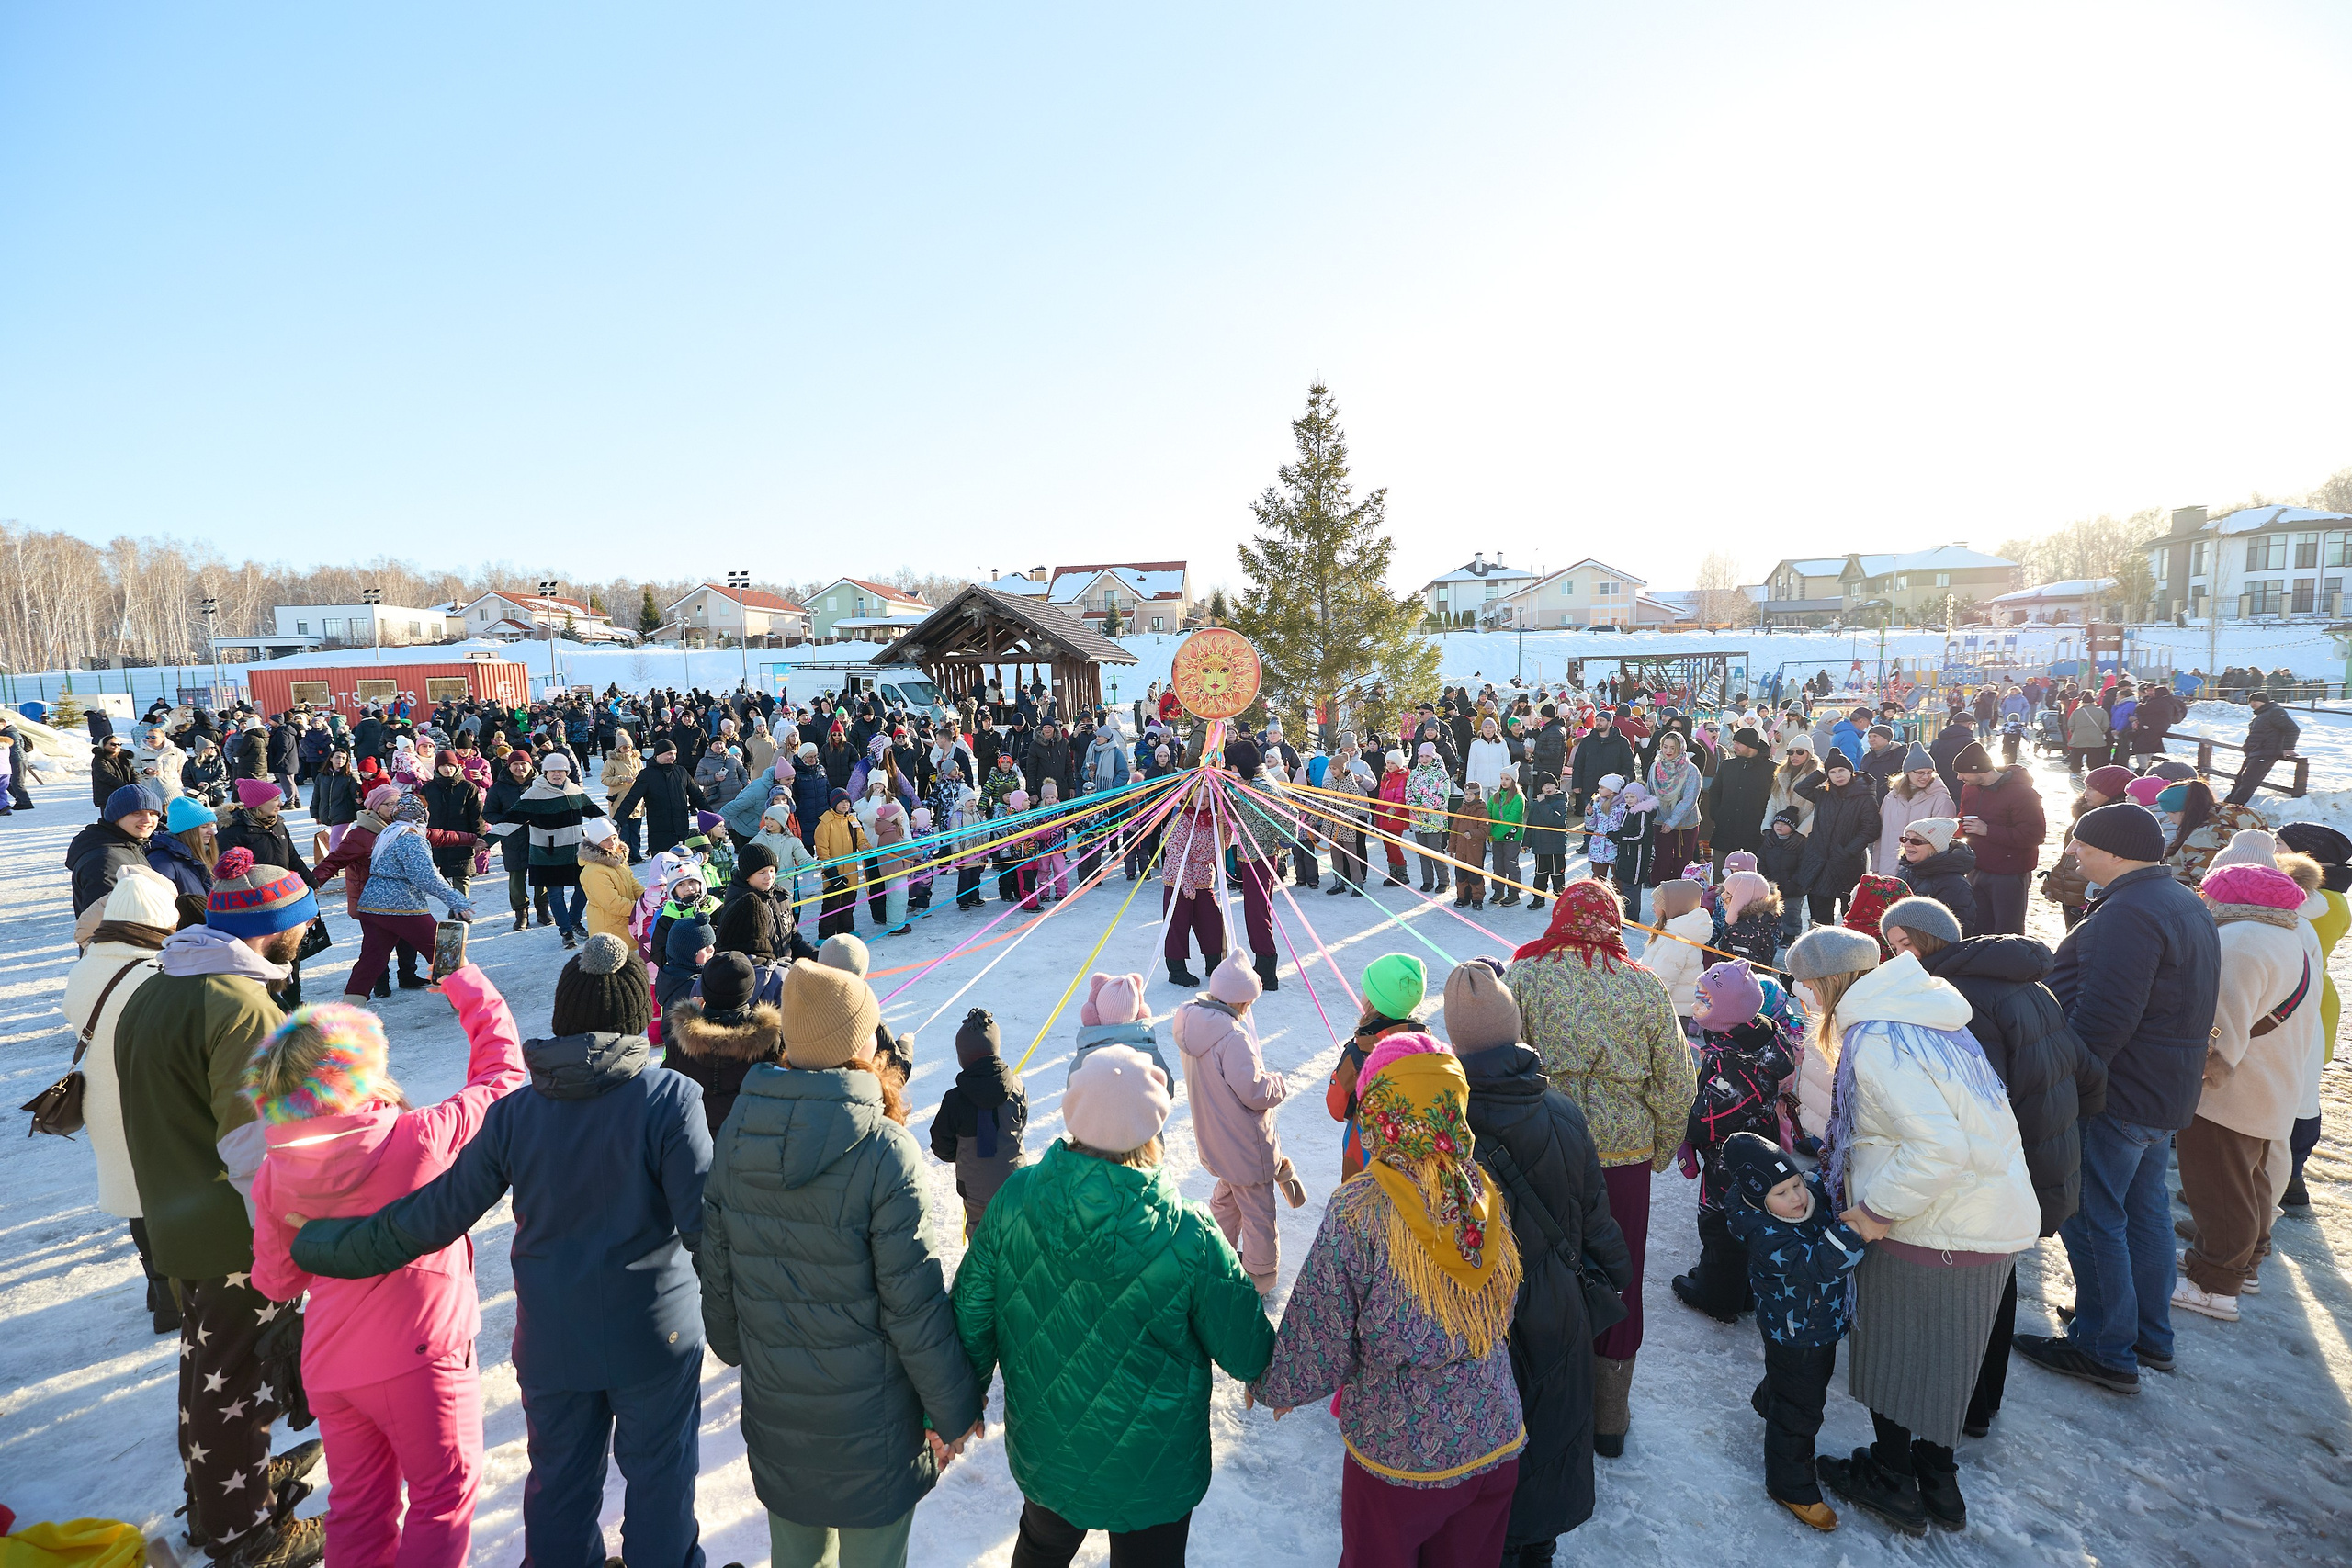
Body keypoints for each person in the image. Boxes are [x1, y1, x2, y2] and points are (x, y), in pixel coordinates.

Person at [291, 935, 713, 1568]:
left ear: (563, 1013)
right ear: (637, 1016)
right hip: (655, 1337)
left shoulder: (517, 1114)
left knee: (560, 1486)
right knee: (661, 1480)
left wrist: (324, 1243)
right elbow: (709, 1228)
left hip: (552, 1337)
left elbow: (432, 1214)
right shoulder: (669, 1100)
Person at [699, 956, 982, 1568]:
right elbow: (914, 1303)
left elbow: (718, 1277)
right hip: (873, 1427)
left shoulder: (739, 1131)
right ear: (861, 1040)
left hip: (779, 1413)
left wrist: (738, 1347)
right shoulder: (884, 1152)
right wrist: (955, 1408)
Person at [953, 1042, 1273, 1568]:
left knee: (1040, 1547)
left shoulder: (1014, 1200)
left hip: (1051, 1447)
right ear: (1154, 1127)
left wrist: (952, 1407)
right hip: (1153, 1463)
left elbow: (970, 1315)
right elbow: (1248, 1350)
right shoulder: (1189, 1235)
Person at [247, 975, 526, 1568]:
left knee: (358, 1508)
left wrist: (323, 1235)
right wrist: (466, 982)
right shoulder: (419, 1137)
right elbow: (503, 1078)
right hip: (419, 1357)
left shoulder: (276, 1170)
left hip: (331, 1366)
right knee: (442, 1495)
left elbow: (275, 1281)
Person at [1781, 927, 2040, 1538]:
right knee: (1947, 1361)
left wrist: (1873, 1212)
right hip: (1985, 1214)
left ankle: (1893, 1478)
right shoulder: (1925, 1017)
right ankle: (1938, 1480)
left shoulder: (1878, 1040)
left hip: (1934, 1221)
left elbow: (1939, 1145)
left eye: (1803, 981)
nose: (1799, 993)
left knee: (1893, 1353)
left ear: (1827, 981)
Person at [116, 848, 325, 1565]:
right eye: (301, 921)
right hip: (235, 1230)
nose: (307, 932)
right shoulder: (241, 1004)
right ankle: (245, 1530)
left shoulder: (157, 988)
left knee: (205, 1365)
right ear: (275, 928)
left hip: (176, 1212)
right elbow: (253, 1148)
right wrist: (293, 1230)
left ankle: (217, 1494)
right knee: (237, 1375)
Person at [1250, 1034, 1527, 1567]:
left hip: (1403, 1451)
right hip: (1493, 1432)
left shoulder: (1362, 1206)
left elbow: (1323, 1319)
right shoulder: (1479, 1190)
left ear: (1379, 1110)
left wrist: (1280, 1383)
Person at [1877, 897, 2104, 1437]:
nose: (1895, 957)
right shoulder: (2027, 984)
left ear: (1917, 942)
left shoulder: (1953, 998)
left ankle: (1966, 1406)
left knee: (1971, 1280)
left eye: (1897, 944)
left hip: (2000, 1157)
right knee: (1998, 1272)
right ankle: (1984, 1401)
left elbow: (1972, 1098)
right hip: (2044, 1144)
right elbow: (2086, 1069)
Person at [2021, 802, 2219, 1393]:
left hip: (2119, 1091)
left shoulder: (2130, 912)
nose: (2074, 854)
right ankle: (2145, 1333)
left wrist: (2065, 1084)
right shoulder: (2179, 899)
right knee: (2143, 1209)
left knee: (2092, 1213)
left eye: (2080, 846)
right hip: (2163, 1087)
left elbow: (2106, 1017)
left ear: (2111, 851)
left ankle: (2106, 1346)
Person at [1503, 878, 1695, 1458]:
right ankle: (1608, 1416)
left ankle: (1537, 1401)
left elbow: (1506, 1062)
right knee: (1618, 1270)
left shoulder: (1527, 976)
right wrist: (1658, 1150)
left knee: (1537, 1269)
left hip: (1543, 1145)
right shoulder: (1644, 987)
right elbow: (1678, 1081)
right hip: (1622, 1157)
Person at [1446, 959, 1628, 1565]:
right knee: (1549, 1436)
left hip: (1473, 1316)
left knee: (1483, 1451)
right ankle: (1536, 1550)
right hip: (1556, 1308)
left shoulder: (1441, 1126)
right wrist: (1606, 1279)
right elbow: (1595, 1215)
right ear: (1516, 1027)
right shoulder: (1563, 1111)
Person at [2172, 862, 2323, 1321]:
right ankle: (2244, 1264)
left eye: (2211, 893)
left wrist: (2196, 1077)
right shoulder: (2287, 937)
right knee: (2249, 1181)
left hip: (2233, 1090)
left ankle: (2215, 1284)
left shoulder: (2240, 942)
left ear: (2233, 900)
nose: (2205, 900)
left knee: (2219, 1186)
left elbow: (2217, 1027)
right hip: (2270, 1083)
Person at [1720, 1133, 1868, 1533]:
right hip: (1796, 1333)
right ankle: (1790, 1485)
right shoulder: (1765, 1235)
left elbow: (1821, 1178)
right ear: (1757, 1199)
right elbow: (1816, 1265)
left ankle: (1772, 1396)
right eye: (1783, 1193)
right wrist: (1858, 1231)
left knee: (1799, 1383)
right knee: (1801, 1411)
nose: (1798, 1197)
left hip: (1820, 1324)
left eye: (1797, 1185)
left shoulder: (1802, 1196)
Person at [61, 869, 182, 1335]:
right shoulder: (158, 971)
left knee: (135, 1196)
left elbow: (77, 1018)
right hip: (151, 1093)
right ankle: (177, 1293)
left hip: (103, 1096)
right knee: (171, 1191)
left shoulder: (87, 962)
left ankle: (159, 1290)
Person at [1669, 961, 1796, 1324]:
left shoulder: (1738, 1065)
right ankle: (1740, 1289)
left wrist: (1684, 1124)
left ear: (1727, 1013)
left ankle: (1717, 1296)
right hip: (1752, 1145)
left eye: (1704, 1000)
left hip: (1733, 1156)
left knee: (1722, 1224)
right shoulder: (1749, 1038)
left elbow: (1707, 1119)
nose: (1696, 1005)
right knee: (1747, 1218)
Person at [1172, 953, 1303, 1296]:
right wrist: (1278, 1083)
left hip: (1217, 1138)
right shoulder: (1232, 1037)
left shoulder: (1194, 1025)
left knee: (1228, 1199)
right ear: (1242, 1000)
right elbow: (1254, 1091)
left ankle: (1217, 1253)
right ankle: (1260, 1275)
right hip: (1245, 1144)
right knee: (1259, 1211)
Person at [2277, 821, 2350, 1208]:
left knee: (2295, 1095)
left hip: (2298, 1000)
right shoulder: (2334, 898)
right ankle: (2290, 1176)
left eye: (2280, 843)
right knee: (2303, 1093)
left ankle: (2287, 1176)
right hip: (2318, 999)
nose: (2273, 847)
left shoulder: (2314, 902)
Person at [345, 795, 474, 1006]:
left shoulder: (388, 833)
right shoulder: (412, 838)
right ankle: (469, 1001)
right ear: (421, 814)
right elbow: (426, 877)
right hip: (402, 906)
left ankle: (349, 1007)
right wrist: (456, 900)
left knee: (371, 959)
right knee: (444, 950)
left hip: (372, 904)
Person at [1326, 953, 1430, 1182]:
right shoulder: (1427, 1047)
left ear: (1372, 1002)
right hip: (1415, 1165)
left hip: (1365, 1160)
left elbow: (1336, 1108)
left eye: (1366, 991)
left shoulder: (1359, 1053)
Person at [929, 1008, 1030, 1237]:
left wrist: (963, 1154)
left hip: (976, 1190)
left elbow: (941, 1146)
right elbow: (1021, 1124)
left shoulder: (955, 1100)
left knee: (982, 1240)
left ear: (962, 1057)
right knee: (1017, 1235)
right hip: (1015, 1181)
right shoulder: (1017, 1088)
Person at [1951, 741, 2044, 936]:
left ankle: (2008, 964)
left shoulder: (2022, 794)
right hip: (1977, 867)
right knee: (1977, 925)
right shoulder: (1970, 789)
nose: (1959, 778)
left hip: (2009, 872)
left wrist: (1988, 831)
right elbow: (1965, 817)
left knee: (2007, 929)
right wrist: (1953, 828)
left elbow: (2034, 835)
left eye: (1963, 773)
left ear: (1979, 771)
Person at [1795, 750, 1878, 929]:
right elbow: (1801, 788)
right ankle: (1821, 950)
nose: (1838, 775)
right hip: (1819, 862)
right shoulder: (1824, 794)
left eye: (1842, 770)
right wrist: (1822, 772)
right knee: (1820, 915)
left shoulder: (1864, 797)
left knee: (1850, 912)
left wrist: (1847, 851)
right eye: (1832, 772)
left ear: (1851, 771)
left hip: (1847, 863)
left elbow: (1870, 830)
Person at [68, 781, 163, 919]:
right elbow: (107, 921)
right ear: (116, 817)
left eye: (153, 813)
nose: (147, 819)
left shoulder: (131, 845)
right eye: (137, 813)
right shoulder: (105, 860)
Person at [1069, 970, 1170, 1085]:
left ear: (1093, 1014)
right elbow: (1167, 1088)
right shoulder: (1150, 1054)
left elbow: (1072, 1092)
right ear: (1140, 1014)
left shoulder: (1085, 1057)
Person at [1707, 727, 1778, 876]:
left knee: (1751, 880)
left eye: (1738, 743)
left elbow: (1775, 800)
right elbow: (1715, 791)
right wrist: (1717, 814)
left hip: (1754, 836)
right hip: (1724, 832)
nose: (1734, 746)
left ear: (1750, 745)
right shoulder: (1728, 766)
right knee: (1720, 878)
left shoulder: (1771, 769)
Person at [1890, 818, 1979, 935]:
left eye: (1916, 841)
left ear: (1935, 847)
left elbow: (1957, 931)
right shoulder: (1906, 871)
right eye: (1905, 839)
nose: (1907, 845)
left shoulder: (1954, 883)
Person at [1871, 747, 1953, 874]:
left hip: (1921, 871)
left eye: (1929, 772)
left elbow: (1943, 842)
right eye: (1920, 772)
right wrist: (1875, 866)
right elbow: (1881, 834)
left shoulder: (1941, 799)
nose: (1925, 777)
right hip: (1888, 868)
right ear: (1908, 772)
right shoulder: (1892, 797)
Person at [579, 815, 648, 944]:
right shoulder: (594, 871)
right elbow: (613, 903)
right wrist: (642, 908)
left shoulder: (617, 860)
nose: (613, 844)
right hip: (609, 931)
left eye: (614, 838)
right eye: (606, 840)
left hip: (626, 925)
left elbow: (633, 883)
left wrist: (648, 899)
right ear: (596, 843)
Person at [2225, 690, 2300, 805]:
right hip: (2255, 753)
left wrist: (2288, 748)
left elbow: (2293, 729)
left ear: (2264, 701)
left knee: (2248, 782)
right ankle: (2227, 805)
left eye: (2255, 701)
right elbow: (2256, 734)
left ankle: (2234, 808)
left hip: (2266, 753)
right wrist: (2247, 747)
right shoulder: (2261, 715)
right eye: (2250, 701)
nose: (2252, 703)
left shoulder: (2275, 712)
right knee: (2240, 780)